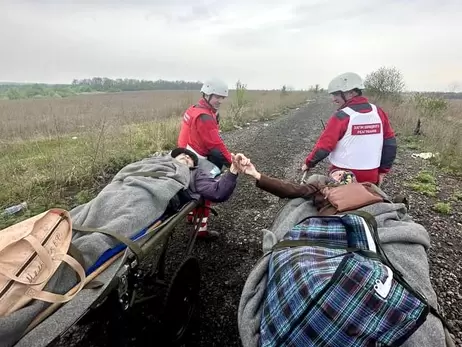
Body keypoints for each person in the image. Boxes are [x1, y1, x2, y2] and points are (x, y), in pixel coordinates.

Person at [302, 72, 397, 186]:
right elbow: (390, 144)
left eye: (336, 94)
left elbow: (324, 146)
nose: (333, 99)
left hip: (342, 176)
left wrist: (308, 163)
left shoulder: (342, 116)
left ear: (351, 93)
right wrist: (382, 172)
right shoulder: (378, 112)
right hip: (371, 176)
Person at [233, 154, 385, 215]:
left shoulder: (367, 186)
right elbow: (289, 189)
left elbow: (386, 201)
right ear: (331, 179)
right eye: (337, 173)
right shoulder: (320, 186)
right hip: (340, 217)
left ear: (353, 179)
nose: (341, 174)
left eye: (344, 174)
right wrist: (256, 175)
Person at [177, 78, 233, 239]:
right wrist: (232, 163)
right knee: (208, 189)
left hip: (183, 153)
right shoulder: (205, 117)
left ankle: (190, 216)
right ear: (207, 95)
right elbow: (216, 145)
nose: (220, 101)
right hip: (196, 158)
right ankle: (201, 230)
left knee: (190, 188)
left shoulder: (193, 109)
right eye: (217, 97)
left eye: (223, 98)